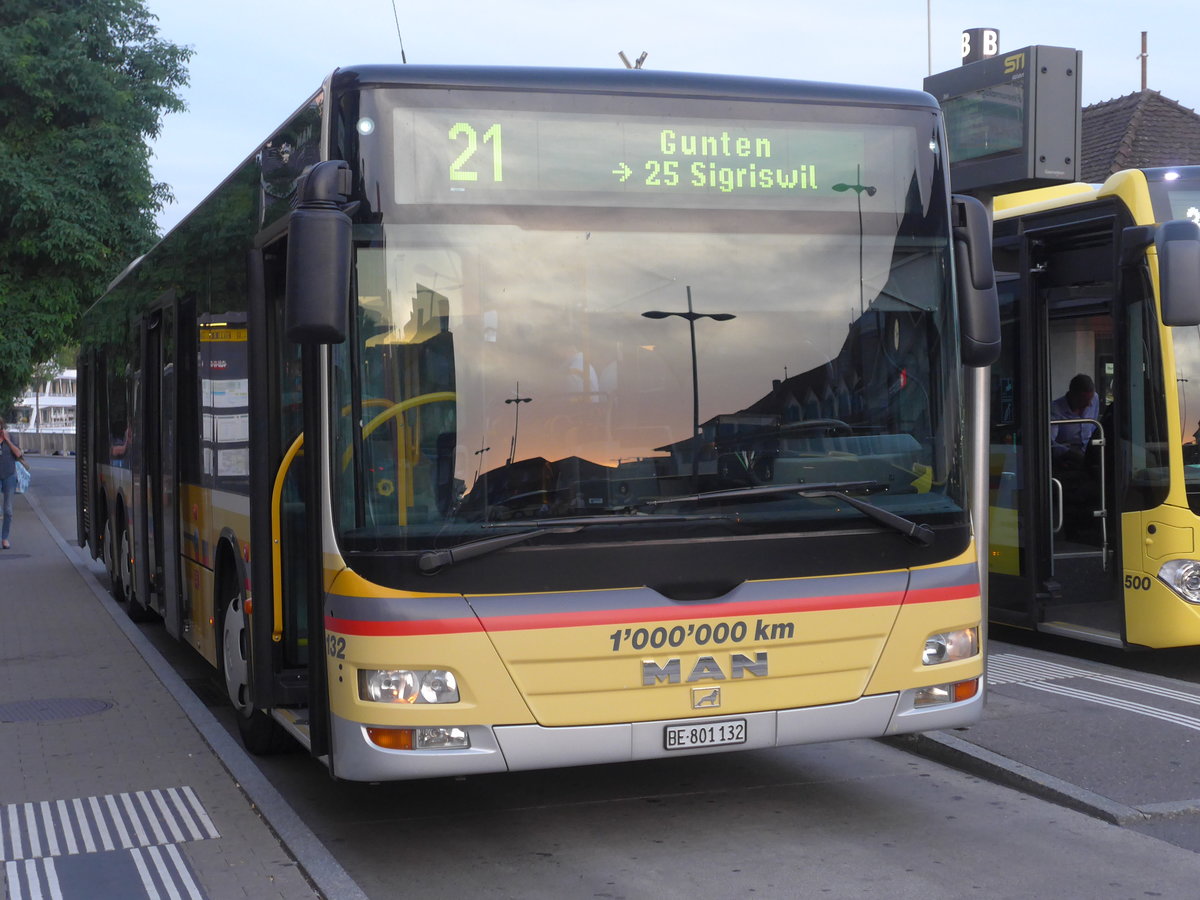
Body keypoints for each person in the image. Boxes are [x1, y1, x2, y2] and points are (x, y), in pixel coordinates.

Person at [1050, 373, 1100, 463]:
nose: (1088, 405)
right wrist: (1069, 453)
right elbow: (1050, 442)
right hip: (1066, 458)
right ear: (1072, 395)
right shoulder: (1055, 410)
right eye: (1083, 401)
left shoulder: (1094, 398)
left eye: (1090, 400)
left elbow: (1094, 427)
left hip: (1089, 452)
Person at [0, 417, 25, 549]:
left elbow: (18, 454)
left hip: (9, 476)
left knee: (8, 510)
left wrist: (8, 440)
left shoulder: (10, 437)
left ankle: (4, 538)